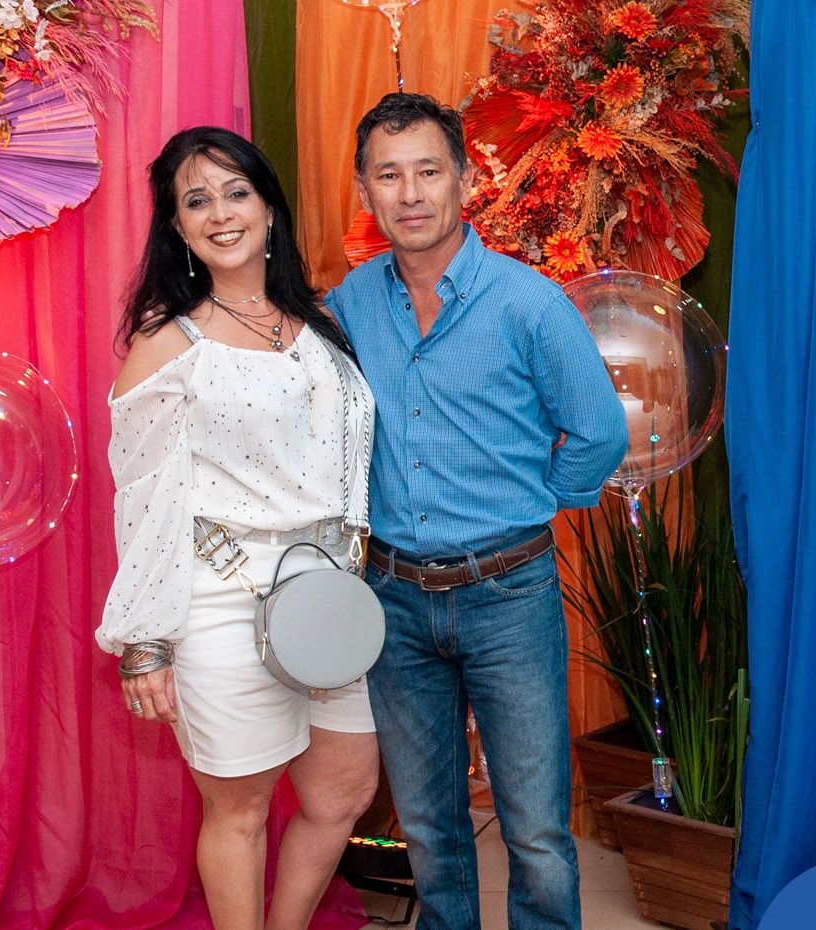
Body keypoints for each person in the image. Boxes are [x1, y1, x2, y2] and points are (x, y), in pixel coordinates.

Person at [326, 93, 629, 930]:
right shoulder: (353, 302)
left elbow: (599, 432)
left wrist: (535, 503)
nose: (410, 193)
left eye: (428, 171)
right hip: (394, 598)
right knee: (429, 827)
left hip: (508, 594)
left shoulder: (529, 303)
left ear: (464, 178)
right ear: (365, 189)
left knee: (535, 829)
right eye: (389, 175)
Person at [98, 126, 379, 930]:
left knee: (342, 793)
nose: (221, 213)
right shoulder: (167, 343)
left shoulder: (321, 326)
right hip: (221, 600)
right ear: (177, 227)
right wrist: (145, 640)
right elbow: (141, 498)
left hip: (328, 597)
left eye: (236, 192)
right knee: (240, 809)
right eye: (197, 201)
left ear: (268, 207)